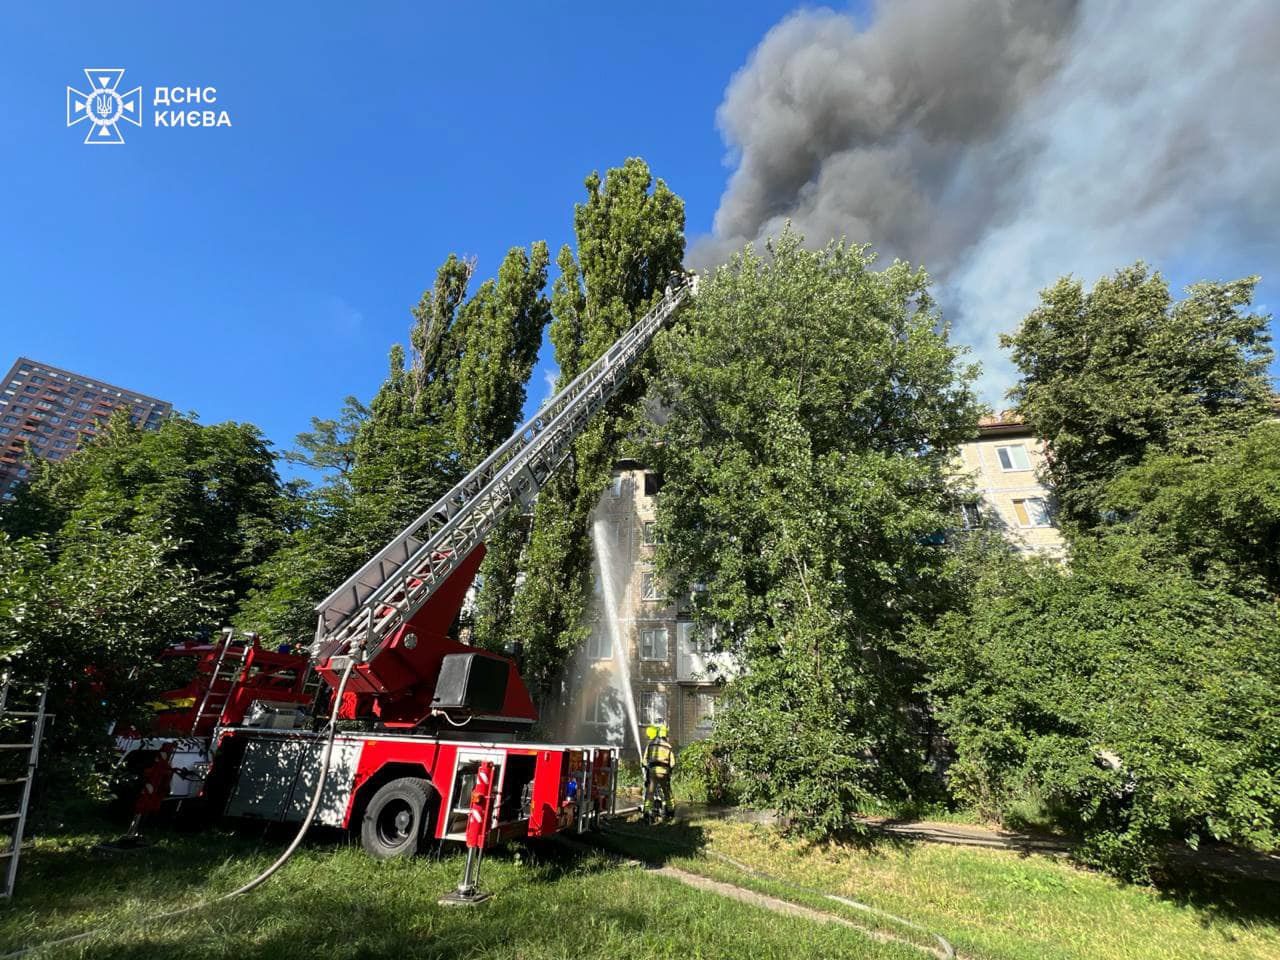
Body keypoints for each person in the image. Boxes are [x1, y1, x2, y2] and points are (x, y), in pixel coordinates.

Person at [643, 721, 675, 821]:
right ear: (666, 735)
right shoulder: (668, 746)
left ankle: (647, 812)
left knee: (650, 793)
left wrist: (647, 768)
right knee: (667, 793)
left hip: (653, 772)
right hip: (664, 772)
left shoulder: (651, 745)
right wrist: (669, 771)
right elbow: (673, 763)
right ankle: (670, 812)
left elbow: (644, 761)